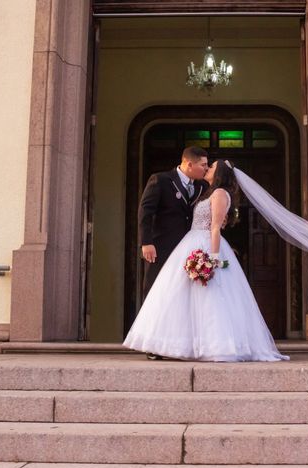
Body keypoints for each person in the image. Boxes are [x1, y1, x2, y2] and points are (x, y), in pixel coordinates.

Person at [124, 160, 289, 362]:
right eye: (205, 165)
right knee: (178, 295)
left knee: (209, 298)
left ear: (218, 172)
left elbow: (215, 228)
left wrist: (213, 259)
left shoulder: (219, 194)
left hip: (205, 245)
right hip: (191, 243)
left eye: (211, 166)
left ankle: (214, 345)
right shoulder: (207, 190)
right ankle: (176, 344)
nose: (207, 168)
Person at [138, 146, 209, 299]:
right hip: (162, 246)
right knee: (156, 290)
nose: (206, 169)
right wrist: (146, 242)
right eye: (203, 165)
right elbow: (146, 211)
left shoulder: (202, 186)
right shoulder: (161, 180)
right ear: (189, 164)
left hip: (190, 250)